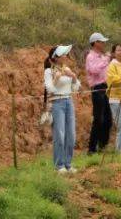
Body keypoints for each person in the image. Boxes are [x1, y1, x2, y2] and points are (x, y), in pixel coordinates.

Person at [43, 45, 80, 173]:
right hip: (57, 103)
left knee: (71, 134)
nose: (66, 56)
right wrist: (57, 77)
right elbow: (50, 89)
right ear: (56, 57)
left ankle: (68, 164)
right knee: (59, 134)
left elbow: (75, 88)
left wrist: (74, 77)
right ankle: (59, 165)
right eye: (63, 54)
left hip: (69, 101)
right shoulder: (49, 71)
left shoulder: (67, 68)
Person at [85, 32, 113, 154]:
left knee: (108, 119)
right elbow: (94, 70)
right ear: (95, 43)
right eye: (101, 42)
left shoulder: (102, 56)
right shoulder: (90, 56)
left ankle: (103, 146)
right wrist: (106, 59)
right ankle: (92, 149)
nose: (103, 44)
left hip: (106, 88)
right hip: (97, 89)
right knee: (98, 119)